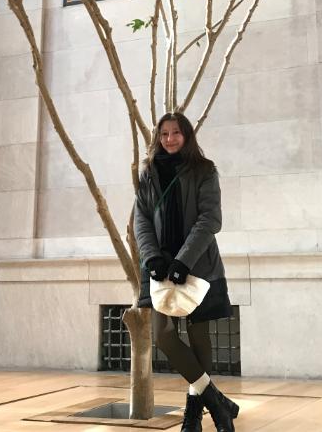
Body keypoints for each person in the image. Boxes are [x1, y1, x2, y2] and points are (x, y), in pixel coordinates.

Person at [134, 112, 239, 432]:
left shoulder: (205, 171)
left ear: (187, 135)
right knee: (164, 336)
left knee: (198, 335)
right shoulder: (149, 174)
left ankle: (193, 416)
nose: (170, 139)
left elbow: (210, 219)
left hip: (198, 264)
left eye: (176, 133)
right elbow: (140, 220)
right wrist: (153, 258)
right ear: (157, 138)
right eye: (164, 134)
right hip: (159, 267)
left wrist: (184, 261)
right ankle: (218, 404)